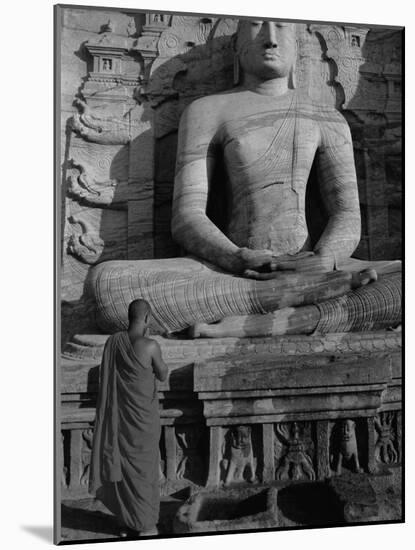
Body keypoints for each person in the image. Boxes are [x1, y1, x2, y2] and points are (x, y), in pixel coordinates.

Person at [89, 20, 401, 336]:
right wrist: (238, 257)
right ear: (238, 48)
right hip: (233, 271)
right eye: (256, 28)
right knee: (108, 286)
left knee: (403, 282)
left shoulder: (326, 118)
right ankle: (305, 302)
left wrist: (324, 260)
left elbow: (347, 214)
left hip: (313, 265)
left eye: (281, 30)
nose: (270, 40)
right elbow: (187, 217)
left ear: (297, 50)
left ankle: (265, 315)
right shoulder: (206, 110)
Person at [89, 299, 168, 537]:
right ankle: (144, 526)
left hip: (121, 420)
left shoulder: (113, 342)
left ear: (129, 316)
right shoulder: (150, 345)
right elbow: (163, 374)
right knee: (144, 471)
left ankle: (127, 519)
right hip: (143, 422)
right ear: (147, 318)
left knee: (124, 467)